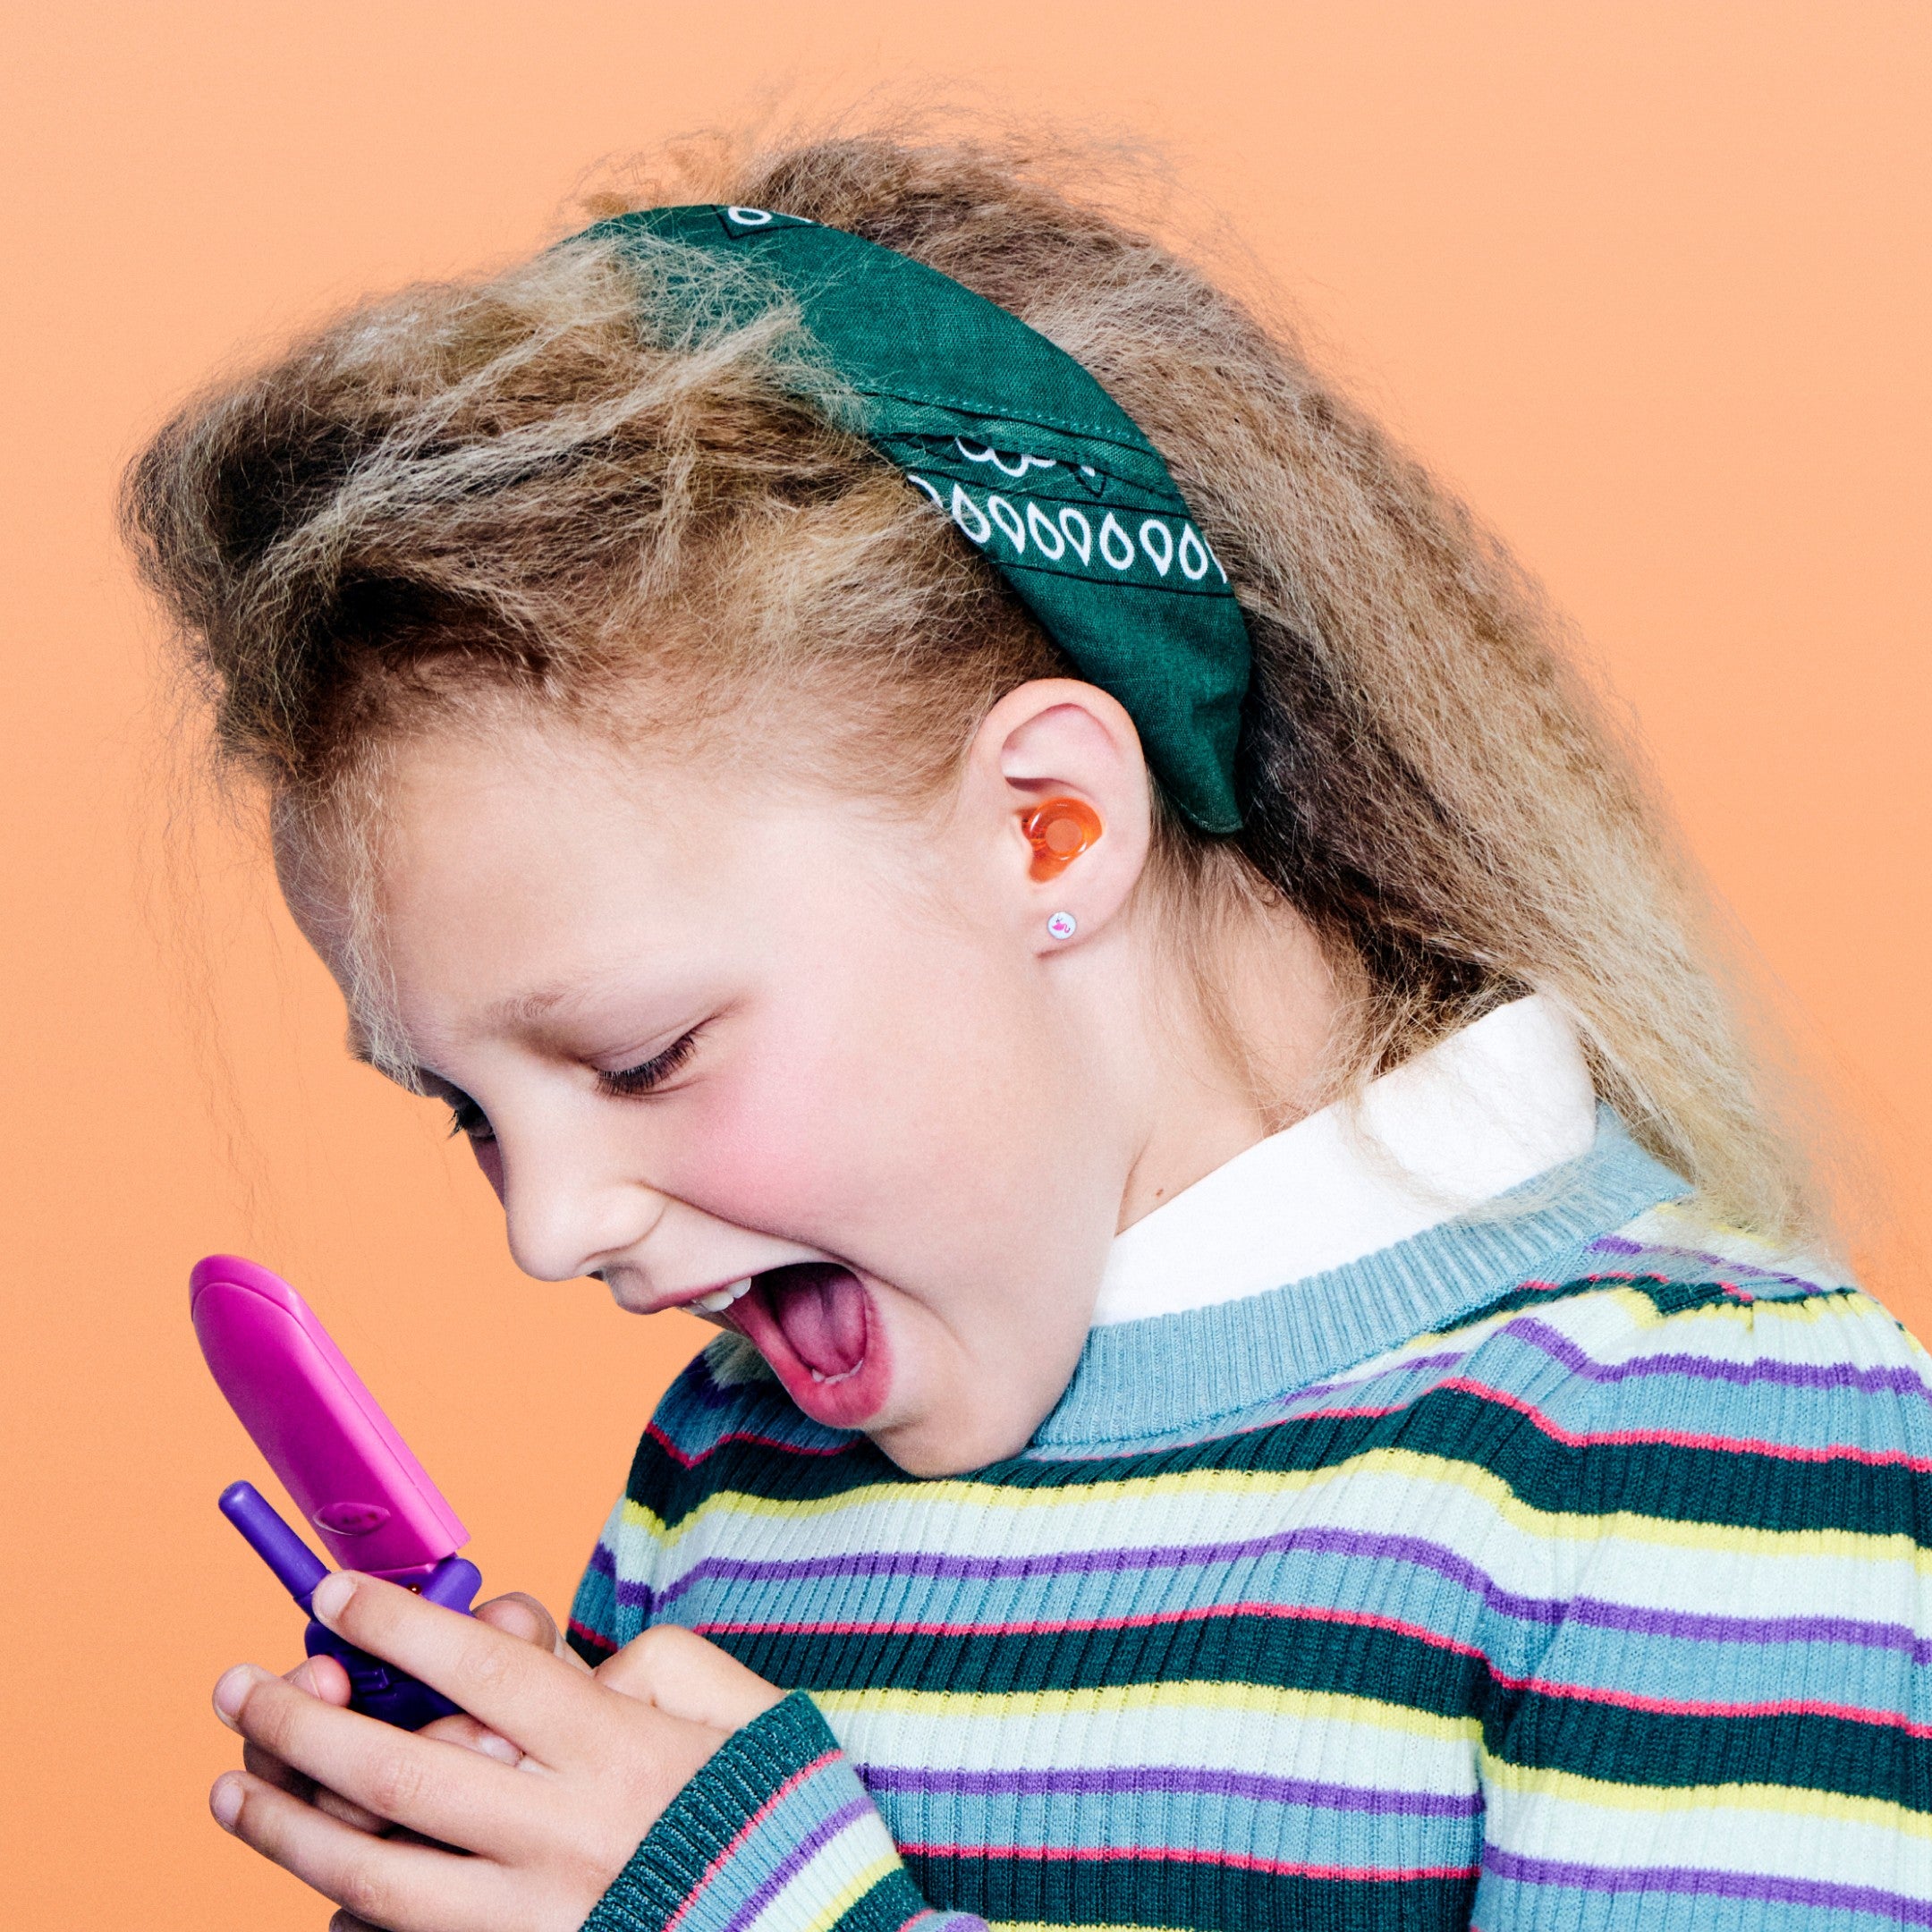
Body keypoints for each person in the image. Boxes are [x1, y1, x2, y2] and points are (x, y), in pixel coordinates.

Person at [124, 128, 1930, 1932]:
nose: (548, 1228)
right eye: (470, 1112)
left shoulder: (1696, 1436)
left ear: (1048, 828)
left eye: (641, 1056)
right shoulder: (727, 1472)